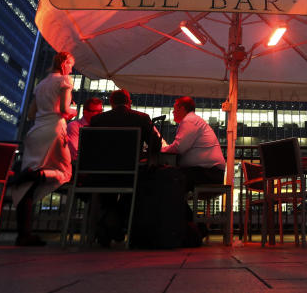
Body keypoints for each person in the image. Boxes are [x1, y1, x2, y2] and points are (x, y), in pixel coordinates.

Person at [9, 51, 76, 246]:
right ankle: (36, 174)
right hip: (54, 131)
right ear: (64, 64)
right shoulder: (64, 81)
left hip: (35, 132)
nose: (71, 69)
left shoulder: (41, 84)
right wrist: (73, 110)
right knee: (66, 172)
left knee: (25, 189)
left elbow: (30, 114)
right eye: (70, 65)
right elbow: (64, 110)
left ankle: (23, 234)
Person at [85, 89, 162, 246]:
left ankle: (109, 222)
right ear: (129, 102)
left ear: (111, 103)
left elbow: (89, 148)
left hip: (100, 176)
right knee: (140, 188)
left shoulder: (97, 120)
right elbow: (156, 144)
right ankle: (116, 223)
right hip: (130, 175)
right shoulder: (141, 118)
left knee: (107, 191)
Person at [161, 96, 226, 191]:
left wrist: (161, 149)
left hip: (208, 174)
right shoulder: (193, 120)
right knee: (171, 176)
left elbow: (179, 148)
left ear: (182, 108)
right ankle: (179, 205)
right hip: (211, 172)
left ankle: (177, 206)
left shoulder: (189, 121)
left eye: (174, 109)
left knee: (167, 176)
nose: (173, 112)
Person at [66, 97, 103, 162]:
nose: (100, 114)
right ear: (85, 112)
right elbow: (75, 153)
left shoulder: (101, 126)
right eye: (95, 111)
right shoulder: (74, 126)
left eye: (100, 111)